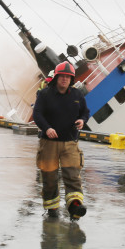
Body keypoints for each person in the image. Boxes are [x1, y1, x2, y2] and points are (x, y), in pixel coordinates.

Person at [33, 61, 90, 219]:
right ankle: (52, 209)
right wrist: (47, 128)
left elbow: (85, 112)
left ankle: (75, 207)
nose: (64, 79)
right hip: (49, 144)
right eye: (62, 76)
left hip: (70, 143)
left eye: (68, 77)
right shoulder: (45, 94)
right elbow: (37, 114)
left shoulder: (77, 95)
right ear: (57, 77)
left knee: (72, 175)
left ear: (71, 79)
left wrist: (82, 120)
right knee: (49, 177)